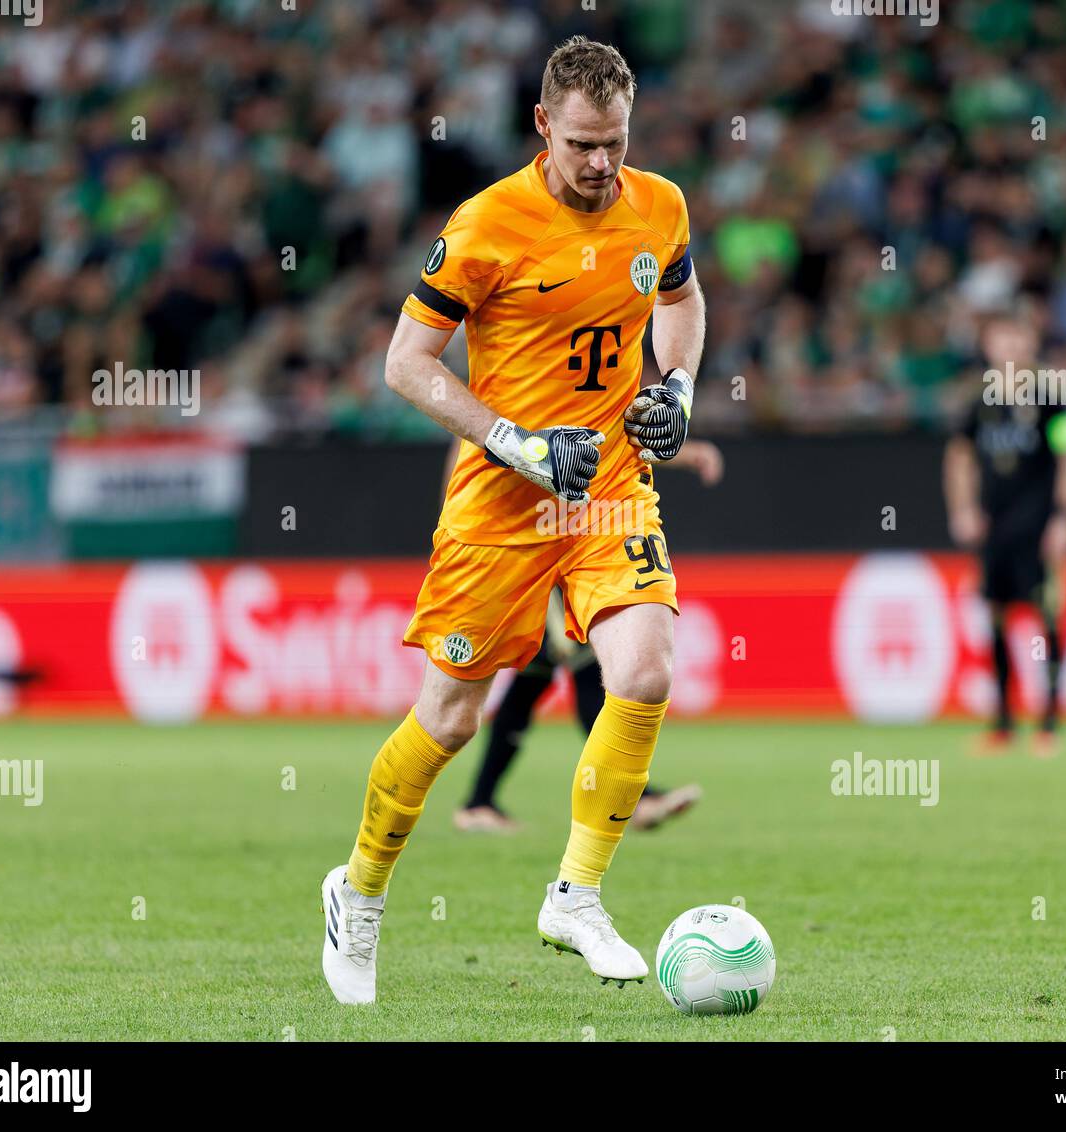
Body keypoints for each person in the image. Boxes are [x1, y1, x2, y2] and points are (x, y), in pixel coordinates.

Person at [321, 36, 706, 1003]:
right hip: (503, 498)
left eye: (614, 142)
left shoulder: (660, 205)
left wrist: (683, 387)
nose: (601, 163)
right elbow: (405, 364)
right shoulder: (487, 223)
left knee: (647, 668)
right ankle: (359, 891)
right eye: (582, 143)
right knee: (450, 715)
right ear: (543, 126)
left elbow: (684, 297)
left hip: (611, 478)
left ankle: (576, 895)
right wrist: (512, 439)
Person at [455, 439, 724, 834]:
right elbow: (472, 475)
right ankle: (634, 797)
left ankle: (480, 802)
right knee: (584, 668)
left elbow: (611, 442)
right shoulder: (498, 410)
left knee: (533, 682)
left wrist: (685, 453)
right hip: (535, 554)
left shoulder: (557, 393)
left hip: (575, 546)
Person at [943, 309, 1066, 757]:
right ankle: (1004, 723)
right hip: (994, 526)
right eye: (1000, 341)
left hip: (1039, 526)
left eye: (1016, 340)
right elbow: (958, 457)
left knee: (1045, 614)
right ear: (988, 347)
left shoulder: (1054, 397)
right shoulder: (979, 402)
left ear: (1030, 345)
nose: (1009, 350)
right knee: (994, 613)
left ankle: (1049, 722)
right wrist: (963, 508)